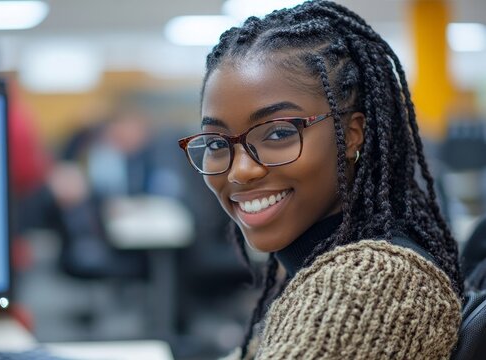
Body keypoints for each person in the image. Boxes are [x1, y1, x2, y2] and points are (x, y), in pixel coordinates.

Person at [177, 1, 463, 359]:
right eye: (218, 143)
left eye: (278, 134)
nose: (240, 171)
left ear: (353, 133)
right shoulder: (323, 265)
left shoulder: (368, 283)